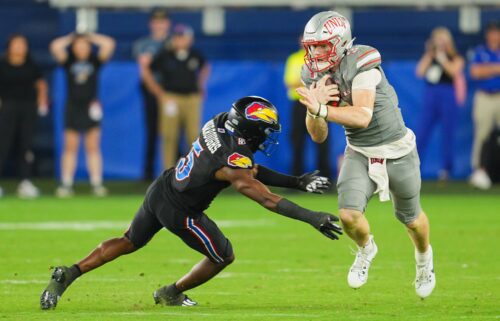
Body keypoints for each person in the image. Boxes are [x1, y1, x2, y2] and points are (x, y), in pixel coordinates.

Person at [40, 96, 341, 309]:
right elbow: (265, 197)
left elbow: (246, 168)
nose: (265, 137)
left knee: (128, 241)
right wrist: (311, 216)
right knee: (223, 256)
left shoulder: (221, 122)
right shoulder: (233, 157)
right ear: (249, 128)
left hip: (162, 187)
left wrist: (297, 181)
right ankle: (171, 292)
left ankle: (68, 273)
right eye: (263, 130)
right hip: (181, 211)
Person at [296, 11, 435, 298]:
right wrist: (313, 110)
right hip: (359, 151)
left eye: (323, 45)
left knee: (411, 220)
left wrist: (322, 109)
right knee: (347, 215)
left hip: (397, 151)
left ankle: (424, 260)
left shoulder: (363, 61)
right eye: (313, 46)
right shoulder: (313, 73)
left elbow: (362, 116)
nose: (316, 52)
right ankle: (366, 248)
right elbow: (318, 135)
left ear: (341, 42)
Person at [50, 32, 115, 197]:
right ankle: (66, 184)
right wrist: (72, 37)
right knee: (70, 146)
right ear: (73, 47)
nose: (81, 48)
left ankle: (96, 183)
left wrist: (89, 36)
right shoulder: (68, 61)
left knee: (93, 146)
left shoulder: (95, 61)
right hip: (73, 107)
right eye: (78, 45)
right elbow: (55, 46)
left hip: (91, 107)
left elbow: (109, 43)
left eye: (84, 45)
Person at [142, 24, 210, 170]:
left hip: (191, 98)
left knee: (193, 135)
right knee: (169, 136)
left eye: (183, 38)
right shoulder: (165, 54)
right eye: (177, 38)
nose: (179, 41)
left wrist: (201, 85)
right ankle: (168, 173)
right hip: (171, 98)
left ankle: (195, 171)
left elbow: (206, 67)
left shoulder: (195, 54)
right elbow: (147, 70)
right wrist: (159, 93)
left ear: (189, 39)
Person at [0, 34, 48, 198]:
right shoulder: (2, 63)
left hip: (27, 109)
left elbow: (41, 84)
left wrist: (42, 102)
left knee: (25, 146)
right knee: (3, 145)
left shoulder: (31, 64)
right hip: (6, 108)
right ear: (9, 46)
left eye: (23, 44)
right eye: (16, 44)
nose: (20, 47)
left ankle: (25, 182)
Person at [415, 27, 465, 181]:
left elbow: (453, 71)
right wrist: (430, 53)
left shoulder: (456, 57)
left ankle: (446, 170)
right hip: (431, 95)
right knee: (422, 132)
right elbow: (419, 72)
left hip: (447, 95)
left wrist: (443, 57)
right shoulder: (431, 57)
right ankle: (415, 167)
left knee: (447, 133)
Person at [284, 39, 332, 179]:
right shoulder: (294, 59)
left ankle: (325, 178)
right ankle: (297, 179)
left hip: (319, 102)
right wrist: (313, 81)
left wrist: (305, 81)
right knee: (297, 142)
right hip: (300, 104)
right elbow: (290, 83)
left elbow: (327, 81)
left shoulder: (322, 59)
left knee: (322, 141)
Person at [133, 9, 171, 181]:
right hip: (152, 91)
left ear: (167, 23)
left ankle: (180, 170)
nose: (159, 25)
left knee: (173, 132)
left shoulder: (173, 42)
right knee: (153, 130)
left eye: (162, 21)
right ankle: (148, 173)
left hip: (172, 91)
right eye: (156, 21)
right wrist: (157, 92)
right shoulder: (144, 44)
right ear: (151, 24)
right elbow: (143, 70)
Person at [469, 21, 500, 190]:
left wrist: (488, 69)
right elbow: (475, 72)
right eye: (492, 32)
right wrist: (496, 68)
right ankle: (478, 170)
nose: (494, 36)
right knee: (482, 134)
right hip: (485, 96)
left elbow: (482, 71)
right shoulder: (481, 51)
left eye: (497, 32)